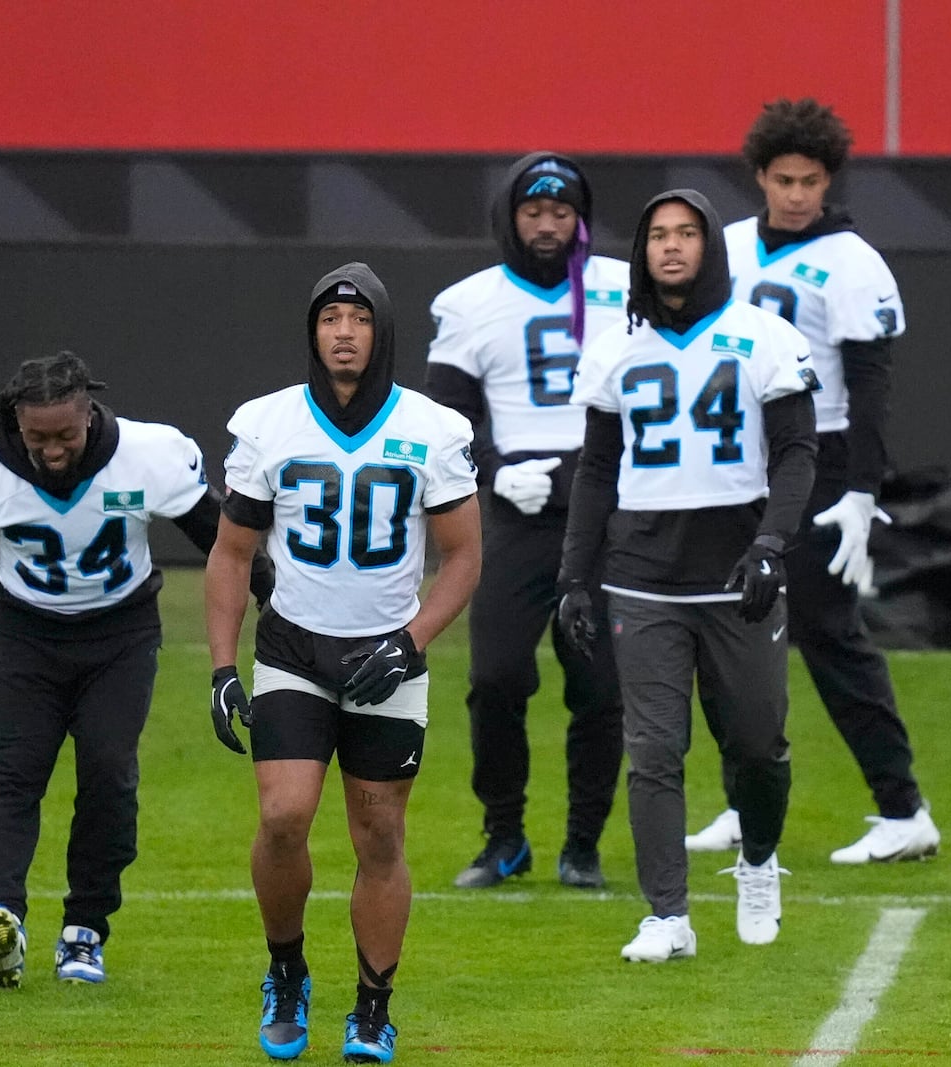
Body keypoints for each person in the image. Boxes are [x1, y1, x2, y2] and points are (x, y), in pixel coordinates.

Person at [0, 350, 272, 988]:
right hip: (23, 638)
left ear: (90, 413)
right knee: (12, 776)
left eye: (65, 434)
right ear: (13, 423)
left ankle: (86, 928)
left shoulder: (148, 454)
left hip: (120, 636)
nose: (53, 450)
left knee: (109, 777)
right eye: (37, 437)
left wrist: (268, 590)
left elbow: (217, 534)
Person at [205, 263, 480, 1063]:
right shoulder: (269, 423)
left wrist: (411, 642)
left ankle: (372, 1005)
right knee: (283, 816)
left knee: (381, 833)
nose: (345, 332)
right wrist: (224, 669)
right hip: (295, 646)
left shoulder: (432, 427)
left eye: (359, 319)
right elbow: (230, 554)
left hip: (387, 654)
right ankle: (286, 970)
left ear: (383, 331)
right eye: (331, 319)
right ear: (313, 331)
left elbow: (464, 557)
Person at [558, 189, 819, 961]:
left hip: (738, 568)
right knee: (655, 748)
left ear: (712, 246)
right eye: (657, 234)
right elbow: (597, 467)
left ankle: (759, 861)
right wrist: (575, 575)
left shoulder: (762, 336)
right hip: (641, 572)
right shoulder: (613, 346)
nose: (671, 247)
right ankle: (667, 912)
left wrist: (773, 541)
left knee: (757, 744)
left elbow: (798, 451)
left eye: (687, 233)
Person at [687, 97, 941, 865]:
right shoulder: (725, 247)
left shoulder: (854, 262)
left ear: (829, 180)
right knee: (727, 629)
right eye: (784, 178)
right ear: (759, 176)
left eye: (811, 180)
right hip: (735, 455)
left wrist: (864, 490)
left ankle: (903, 807)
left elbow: (871, 385)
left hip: (818, 457)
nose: (798, 194)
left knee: (830, 633)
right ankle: (744, 798)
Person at [424, 152, 629, 890]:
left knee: (601, 686)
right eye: (533, 212)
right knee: (498, 677)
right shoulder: (470, 302)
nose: (547, 225)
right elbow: (446, 414)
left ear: (581, 218)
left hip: (605, 512)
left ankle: (583, 843)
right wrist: (493, 465)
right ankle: (504, 834)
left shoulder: (624, 287)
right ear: (510, 217)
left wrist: (592, 468)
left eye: (561, 212)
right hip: (516, 513)